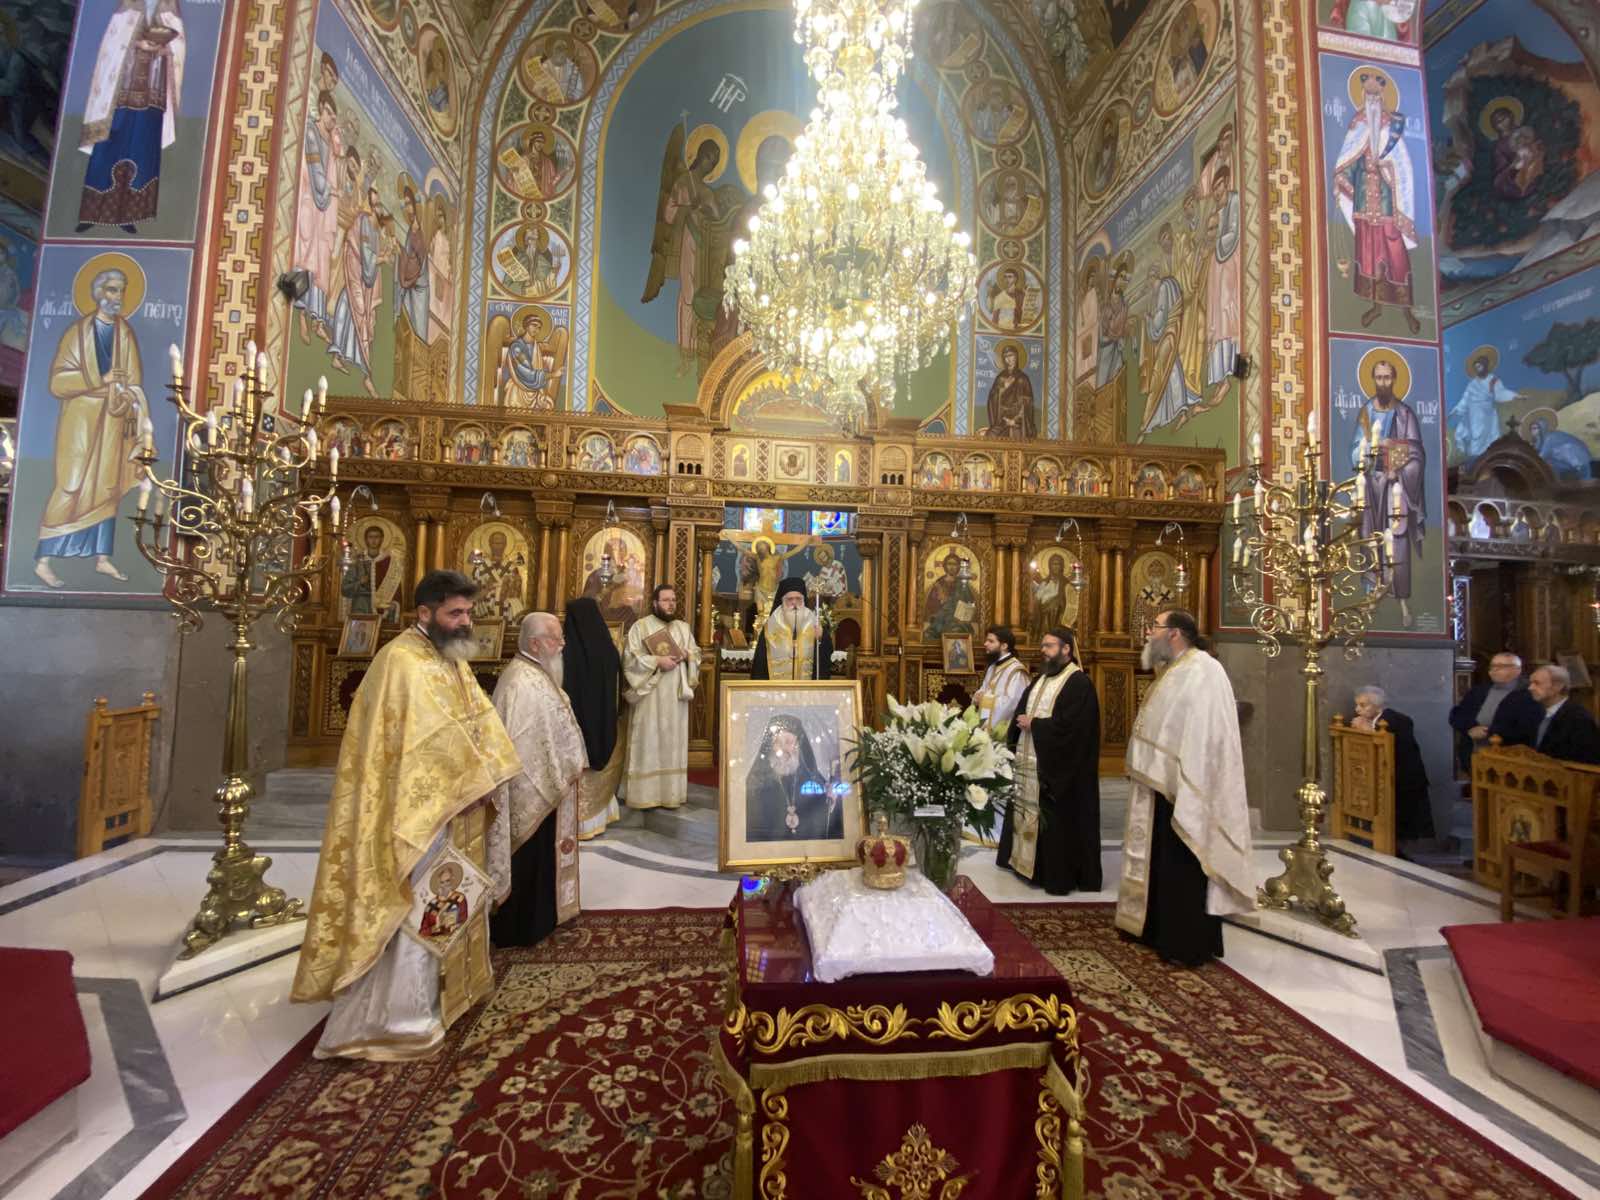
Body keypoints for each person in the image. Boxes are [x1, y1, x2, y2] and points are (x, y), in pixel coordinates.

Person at [291, 570, 521, 1060]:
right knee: (413, 904)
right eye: (455, 613)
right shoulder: (401, 661)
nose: (466, 622)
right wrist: (468, 779)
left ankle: (441, 997)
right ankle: (398, 1016)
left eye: (468, 612)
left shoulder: (447, 656)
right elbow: (420, 745)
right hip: (415, 812)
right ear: (425, 613)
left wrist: (488, 773)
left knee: (445, 898)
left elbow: (478, 719)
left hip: (453, 804)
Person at [1117, 610, 1255, 966]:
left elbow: (1205, 732)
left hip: (1190, 785)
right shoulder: (1175, 670)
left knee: (1183, 863)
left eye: (1155, 627)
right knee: (1162, 860)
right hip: (1164, 784)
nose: (1149, 633)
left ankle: (1185, 943)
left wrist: (1183, 773)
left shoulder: (1205, 670)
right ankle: (1156, 929)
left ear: (1174, 633)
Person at [34, 267, 148, 589]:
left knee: (107, 487)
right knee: (70, 485)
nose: (117, 296)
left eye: (121, 290)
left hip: (113, 419)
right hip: (80, 419)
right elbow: (57, 382)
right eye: (111, 289)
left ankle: (102, 558)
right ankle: (43, 560)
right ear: (98, 293)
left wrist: (128, 395)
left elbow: (134, 382)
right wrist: (101, 379)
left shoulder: (125, 333)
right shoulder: (78, 333)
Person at [488, 612, 587, 948]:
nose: (562, 645)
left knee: (540, 856)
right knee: (527, 858)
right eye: (555, 638)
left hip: (544, 784)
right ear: (534, 643)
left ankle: (542, 917)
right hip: (529, 789)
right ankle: (522, 927)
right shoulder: (521, 682)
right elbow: (523, 740)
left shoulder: (536, 673)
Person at [998, 626, 1102, 894]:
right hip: (1030, 763)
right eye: (1043, 645)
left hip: (1057, 771)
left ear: (1066, 649)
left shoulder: (1078, 683)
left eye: (1049, 646)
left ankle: (1051, 873)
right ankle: (1023, 864)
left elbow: (1074, 729)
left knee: (1055, 822)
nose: (1043, 651)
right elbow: (1022, 710)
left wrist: (1036, 725)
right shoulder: (1042, 678)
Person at [74, 0, 187, 233]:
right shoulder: (126, 9)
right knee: (107, 149)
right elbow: (113, 44)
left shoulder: (169, 9)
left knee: (141, 150)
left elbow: (178, 47)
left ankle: (129, 215)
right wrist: (136, 43)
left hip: (151, 95)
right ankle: (93, 213)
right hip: (120, 94)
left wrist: (163, 49)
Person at [1333, 67, 1423, 335]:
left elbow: (1403, 166)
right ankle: (1376, 307)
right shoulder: (1358, 124)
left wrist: (1386, 167)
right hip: (1364, 202)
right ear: (1363, 95)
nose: (1372, 98)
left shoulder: (1393, 125)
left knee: (1396, 256)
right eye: (1368, 94)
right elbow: (1347, 160)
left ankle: (1407, 310)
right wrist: (1341, 178)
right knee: (1369, 256)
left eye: (1376, 94)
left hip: (1387, 205)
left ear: (1383, 95)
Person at [620, 584, 702, 809]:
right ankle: (644, 795)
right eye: (666, 600)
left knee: (672, 742)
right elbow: (630, 659)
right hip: (650, 694)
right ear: (655, 603)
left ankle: (670, 794)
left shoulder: (683, 628)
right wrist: (657, 661)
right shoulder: (641, 626)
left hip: (675, 696)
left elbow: (696, 654)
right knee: (648, 738)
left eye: (673, 600)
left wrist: (687, 655)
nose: (671, 604)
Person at [563, 597, 625, 839]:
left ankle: (575, 823)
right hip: (603, 723)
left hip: (576, 726)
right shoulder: (609, 649)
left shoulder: (566, 652)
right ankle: (598, 819)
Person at [1352, 686, 1433, 843]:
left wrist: (1369, 729)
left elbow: (1390, 740)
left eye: (1363, 705)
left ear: (1377, 706)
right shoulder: (1371, 719)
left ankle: (1398, 847)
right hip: (1385, 776)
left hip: (1404, 778)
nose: (1357, 710)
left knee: (1403, 823)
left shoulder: (1397, 719)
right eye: (1357, 705)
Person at [745, 714, 836, 841]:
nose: (782, 749)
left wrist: (830, 798)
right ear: (770, 745)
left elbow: (823, 812)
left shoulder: (811, 776)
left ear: (797, 745)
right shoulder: (757, 780)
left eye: (788, 742)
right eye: (777, 742)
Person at [1447, 652, 1541, 771]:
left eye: (1501, 666)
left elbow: (1528, 727)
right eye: (1492, 666)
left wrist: (1489, 732)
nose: (1494, 670)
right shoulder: (1478, 691)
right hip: (1474, 755)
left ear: (1517, 670)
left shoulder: (1529, 694)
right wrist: (1470, 728)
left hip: (1512, 759)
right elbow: (1457, 714)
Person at [752, 578, 832, 681]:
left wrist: (822, 638)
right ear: (782, 601)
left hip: (806, 688)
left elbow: (827, 651)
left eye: (798, 599)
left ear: (803, 600)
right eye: (790, 599)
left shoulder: (813, 621)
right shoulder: (772, 625)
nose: (794, 603)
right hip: (778, 688)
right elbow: (760, 661)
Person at [1528, 664, 1600, 765]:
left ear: (1557, 687)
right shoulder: (1534, 712)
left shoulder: (1579, 719)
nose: (1530, 688)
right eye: (1531, 683)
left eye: (1537, 683)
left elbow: (1586, 761)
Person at [973, 625, 1030, 734]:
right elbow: (984, 689)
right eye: (986, 640)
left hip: (1003, 731)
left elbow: (1012, 704)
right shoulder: (992, 667)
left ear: (1004, 646)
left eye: (991, 641)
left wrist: (984, 699)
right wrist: (977, 696)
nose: (985, 644)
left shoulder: (1016, 671)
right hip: (985, 727)